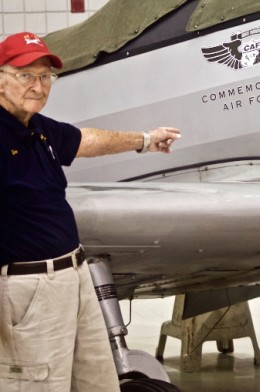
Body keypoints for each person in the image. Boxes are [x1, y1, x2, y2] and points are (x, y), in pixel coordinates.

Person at [0, 32, 181, 391]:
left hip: (75, 274)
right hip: (28, 288)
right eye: (25, 75)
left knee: (97, 379)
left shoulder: (37, 128)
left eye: (45, 76)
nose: (38, 86)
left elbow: (86, 140)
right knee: (38, 384)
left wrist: (144, 140)